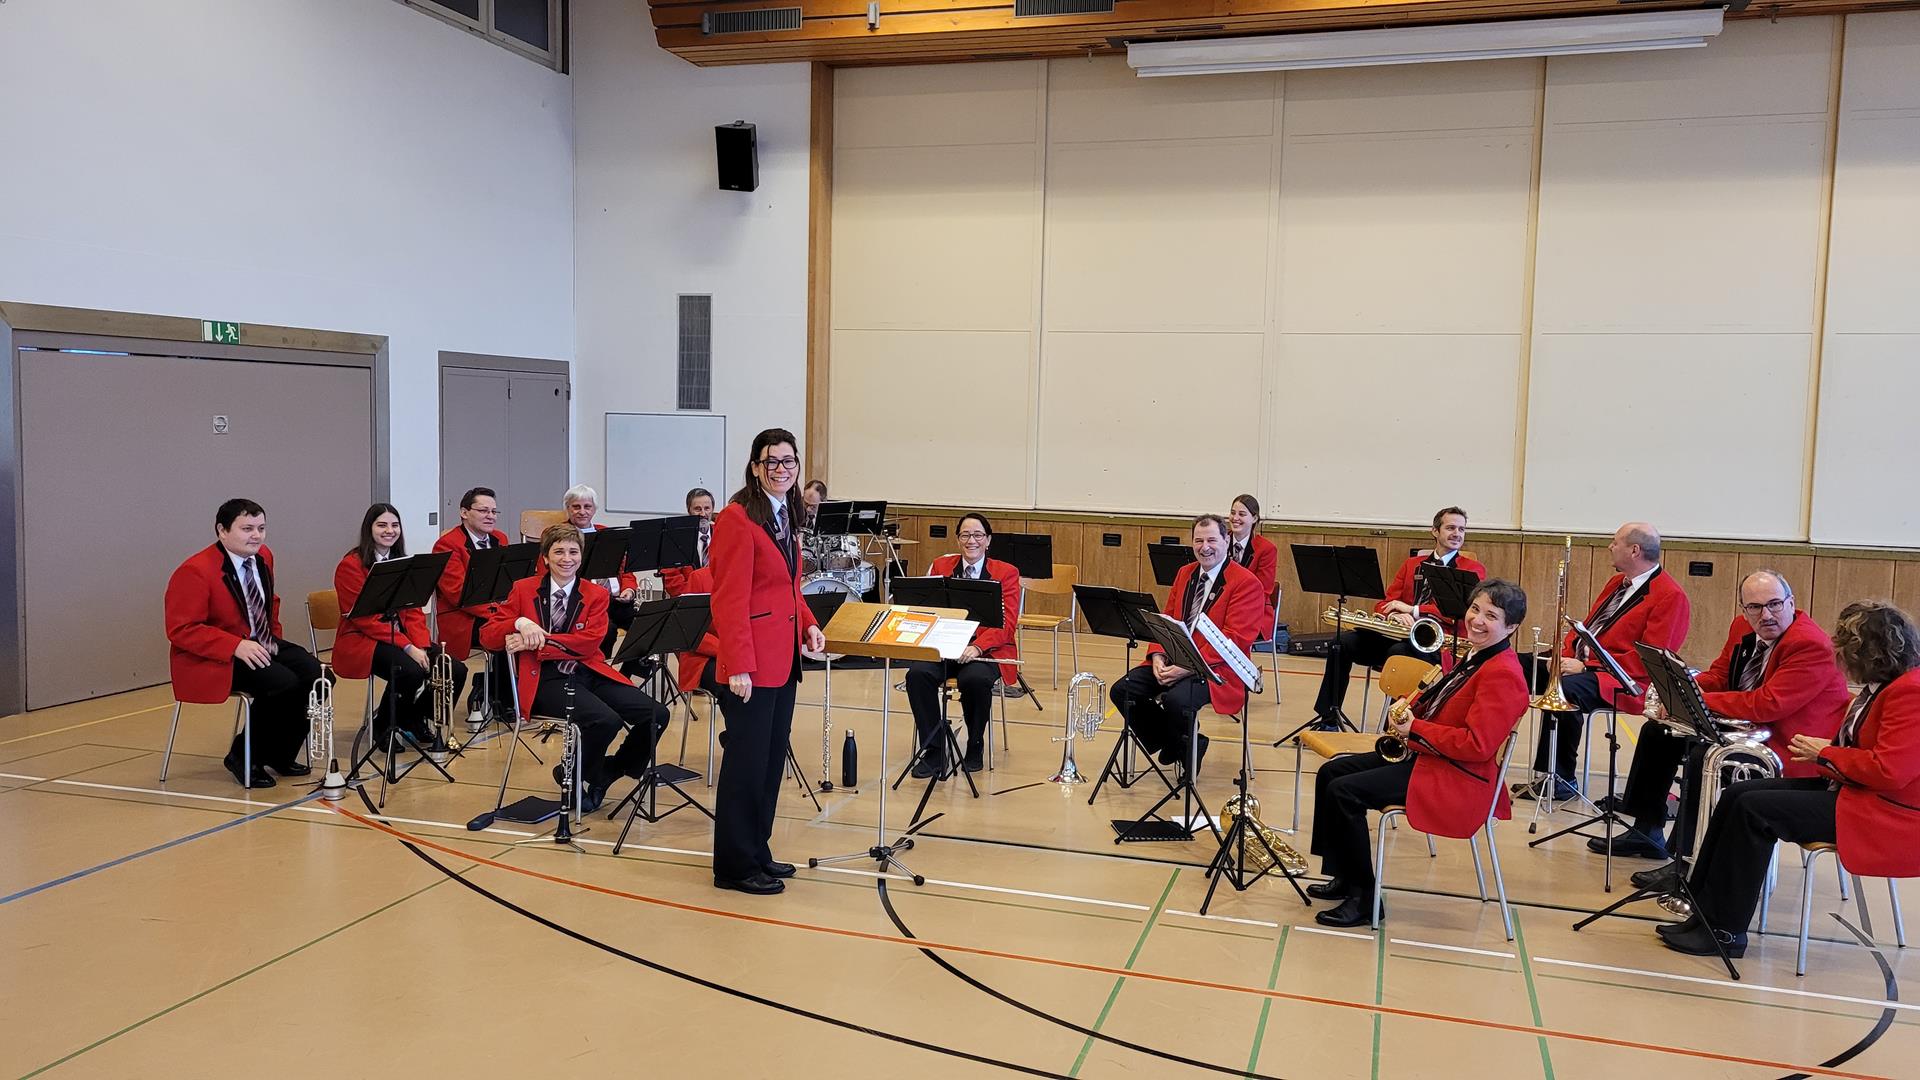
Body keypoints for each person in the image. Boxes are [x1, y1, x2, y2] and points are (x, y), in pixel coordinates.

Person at [1658, 600, 1920, 959]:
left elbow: (1890, 770)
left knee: (1753, 810)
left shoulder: (1909, 691)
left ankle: (1725, 931)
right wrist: (1829, 753)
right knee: (1737, 795)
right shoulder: (1885, 686)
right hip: (1853, 791)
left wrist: (1826, 753)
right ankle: (1701, 912)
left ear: (1869, 652)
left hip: (1882, 814)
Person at [1307, 580, 1531, 927]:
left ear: (1512, 627)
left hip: (1456, 777)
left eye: (1491, 616)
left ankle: (1364, 898)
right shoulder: (1476, 656)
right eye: (1475, 609)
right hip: (1432, 758)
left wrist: (1416, 728)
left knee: (1344, 791)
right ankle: (1345, 876)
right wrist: (1411, 708)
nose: (1477, 620)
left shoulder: (1503, 673)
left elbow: (1477, 745)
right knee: (1330, 773)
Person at [1604, 570, 1848, 863]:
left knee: (1704, 756)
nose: (1766, 615)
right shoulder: (1742, 627)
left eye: (1774, 604)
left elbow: (1767, 705)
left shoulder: (1811, 645)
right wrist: (1683, 690)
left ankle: (1686, 860)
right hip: (1748, 729)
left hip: (1788, 748)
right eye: (1755, 607)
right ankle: (1646, 832)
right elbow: (1720, 676)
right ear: (1744, 609)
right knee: (1658, 732)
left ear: (1791, 602)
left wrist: (1697, 700)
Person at [480, 524, 668, 814]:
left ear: (582, 556)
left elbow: (589, 643)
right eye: (558, 552)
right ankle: (580, 773)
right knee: (605, 720)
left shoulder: (596, 594)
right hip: (544, 679)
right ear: (545, 557)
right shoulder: (523, 589)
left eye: (573, 552)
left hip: (588, 670)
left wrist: (539, 641)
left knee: (657, 714)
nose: (566, 559)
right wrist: (519, 622)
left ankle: (606, 771)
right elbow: (488, 637)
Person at [709, 428, 826, 895]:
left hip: (782, 660)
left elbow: (788, 586)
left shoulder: (784, 513)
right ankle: (734, 866)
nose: (781, 469)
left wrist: (808, 624)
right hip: (751, 665)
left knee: (770, 761)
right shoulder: (736, 518)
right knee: (746, 765)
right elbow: (729, 597)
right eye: (771, 461)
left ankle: (757, 849)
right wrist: (737, 663)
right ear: (756, 467)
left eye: (788, 461)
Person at [1517, 522, 1690, 802]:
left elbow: (1650, 659)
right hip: (1584, 664)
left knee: (1566, 690)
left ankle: (1561, 779)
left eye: (1615, 542)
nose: (1610, 547)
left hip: (1623, 680)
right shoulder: (1616, 583)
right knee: (1513, 666)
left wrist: (1585, 667)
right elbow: (1587, 628)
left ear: (1634, 550)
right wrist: (1565, 655)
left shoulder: (1671, 596)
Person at [164, 498, 325, 788]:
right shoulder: (195, 571)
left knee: (318, 677)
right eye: (247, 529)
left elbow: (269, 602)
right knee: (283, 684)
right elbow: (182, 629)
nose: (256, 536)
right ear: (222, 531)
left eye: (261, 528)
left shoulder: (264, 556)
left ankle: (280, 753)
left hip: (259, 641)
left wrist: (271, 639)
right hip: (216, 655)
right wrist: (234, 646)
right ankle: (243, 756)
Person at [1109, 514, 1265, 775]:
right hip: (1175, 658)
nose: (1205, 547)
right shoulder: (1185, 573)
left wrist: (1189, 667)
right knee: (1122, 690)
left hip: (1217, 669)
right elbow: (1166, 619)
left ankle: (1180, 745)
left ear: (1227, 541)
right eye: (1199, 541)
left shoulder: (1247, 583)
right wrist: (1157, 656)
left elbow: (1233, 641)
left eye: (1212, 540)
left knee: (1177, 701)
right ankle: (1182, 744)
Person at [1311, 507, 1487, 730]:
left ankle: (1394, 728)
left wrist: (1414, 610)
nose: (1457, 534)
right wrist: (1395, 614)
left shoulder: (1473, 569)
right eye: (1451, 528)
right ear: (1435, 531)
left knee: (1399, 654)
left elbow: (1463, 611)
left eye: (1462, 529)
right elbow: (1385, 603)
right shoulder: (1412, 565)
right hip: (1400, 635)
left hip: (1438, 645)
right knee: (1341, 643)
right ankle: (1328, 719)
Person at [332, 503, 469, 748]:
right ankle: (383, 726)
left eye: (395, 525)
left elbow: (413, 609)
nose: (389, 531)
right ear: (369, 528)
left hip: (402, 636)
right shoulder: (350, 565)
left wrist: (421, 644)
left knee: (453, 669)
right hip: (364, 639)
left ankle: (413, 718)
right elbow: (364, 619)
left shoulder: (403, 561)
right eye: (382, 525)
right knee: (410, 670)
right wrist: (408, 648)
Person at [904, 512, 1021, 778]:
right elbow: (929, 612)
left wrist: (977, 647)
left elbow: (1007, 624)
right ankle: (934, 749)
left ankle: (975, 744)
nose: (972, 541)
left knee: (975, 680)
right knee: (917, 675)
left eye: (978, 535)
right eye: (965, 535)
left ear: (988, 540)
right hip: (944, 648)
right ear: (958, 539)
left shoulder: (1006, 573)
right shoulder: (940, 566)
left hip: (985, 651)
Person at [433, 487, 512, 723]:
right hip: (463, 617)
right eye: (483, 511)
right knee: (507, 632)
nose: (491, 516)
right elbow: (459, 594)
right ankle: (500, 698)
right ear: (464, 513)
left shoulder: (500, 539)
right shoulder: (447, 544)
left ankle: (494, 689)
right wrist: (500, 613)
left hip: (495, 612)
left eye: (494, 511)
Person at [562, 484, 640, 664]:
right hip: (587, 604)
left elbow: (625, 568)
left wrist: (629, 589)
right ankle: (600, 671)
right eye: (576, 506)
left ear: (594, 509)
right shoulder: (560, 535)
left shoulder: (607, 533)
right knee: (608, 631)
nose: (582, 511)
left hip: (617, 599)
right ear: (568, 508)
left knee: (646, 627)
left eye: (587, 506)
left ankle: (626, 675)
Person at [1226, 494, 1279, 635]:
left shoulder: (1267, 549)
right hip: (1221, 607)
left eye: (1242, 514)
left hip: (1252, 611)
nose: (1235, 518)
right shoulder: (1220, 541)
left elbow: (1263, 590)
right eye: (1233, 513)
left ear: (1254, 518)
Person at [661, 487, 716, 598]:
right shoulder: (675, 539)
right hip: (687, 602)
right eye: (697, 509)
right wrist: (694, 595)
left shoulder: (724, 535)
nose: (703, 513)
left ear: (712, 509)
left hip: (720, 598)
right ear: (689, 510)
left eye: (707, 508)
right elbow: (671, 580)